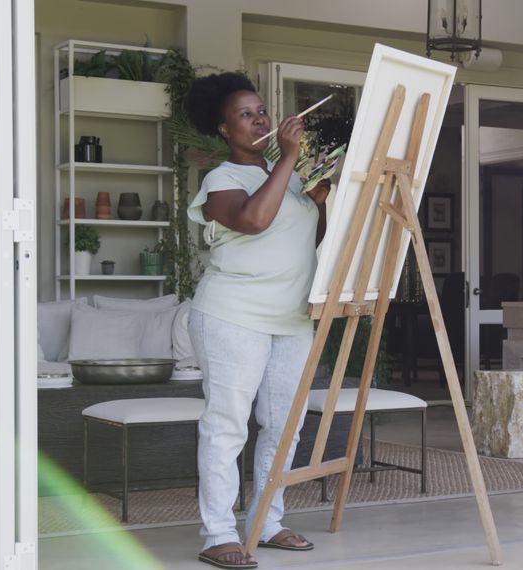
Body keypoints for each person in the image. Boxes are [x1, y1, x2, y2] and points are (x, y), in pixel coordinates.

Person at [184, 72, 330, 569]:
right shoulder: (221, 180)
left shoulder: (288, 179)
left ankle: (266, 521)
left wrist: (319, 203)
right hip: (232, 316)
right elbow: (251, 221)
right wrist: (288, 158)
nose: (259, 120)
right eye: (245, 115)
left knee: (283, 426)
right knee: (227, 425)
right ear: (224, 129)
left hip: (291, 318)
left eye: (262, 111)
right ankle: (218, 533)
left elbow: (303, 242)